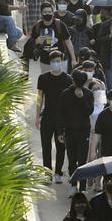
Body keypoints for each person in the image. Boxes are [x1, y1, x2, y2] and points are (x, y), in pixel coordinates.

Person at [36, 48, 72, 182]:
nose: (56, 63)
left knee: (61, 146)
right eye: (54, 61)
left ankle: (58, 172)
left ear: (62, 62)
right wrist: (37, 116)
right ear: (50, 62)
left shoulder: (68, 79)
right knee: (46, 145)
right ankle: (47, 173)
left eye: (58, 61)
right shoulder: (43, 78)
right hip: (47, 116)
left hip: (61, 118)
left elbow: (69, 101)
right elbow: (39, 98)